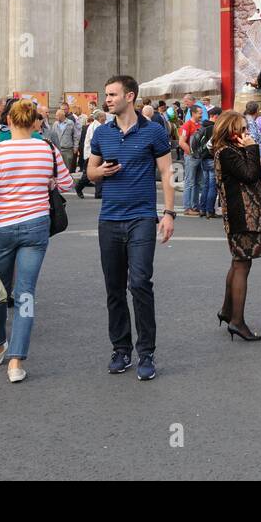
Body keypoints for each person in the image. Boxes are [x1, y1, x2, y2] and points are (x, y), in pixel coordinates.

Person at [0, 99, 73, 383]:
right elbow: (67, 184)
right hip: (36, 225)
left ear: (9, 122)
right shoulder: (48, 149)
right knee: (25, 293)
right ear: (35, 122)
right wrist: (47, 182)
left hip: (2, 226)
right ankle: (16, 361)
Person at [87, 75, 174, 381]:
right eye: (106, 94)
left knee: (139, 283)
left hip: (141, 218)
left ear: (130, 96)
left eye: (112, 94)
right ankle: (121, 349)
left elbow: (166, 173)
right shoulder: (102, 132)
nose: (107, 99)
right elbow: (90, 172)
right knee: (113, 288)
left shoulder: (153, 132)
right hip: (109, 219)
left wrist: (169, 213)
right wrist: (102, 171)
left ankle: (146, 352)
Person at [212, 110, 261, 342]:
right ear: (230, 130)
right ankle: (237, 321)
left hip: (242, 214)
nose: (246, 133)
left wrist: (249, 150)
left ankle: (227, 311)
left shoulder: (228, 150)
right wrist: (252, 148)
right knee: (242, 265)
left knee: (238, 263)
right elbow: (251, 174)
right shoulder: (227, 152)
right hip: (243, 215)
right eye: (242, 129)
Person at [179, 104, 203, 215]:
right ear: (193, 113)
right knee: (189, 182)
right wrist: (191, 153)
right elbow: (181, 142)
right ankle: (187, 207)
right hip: (191, 157)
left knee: (197, 183)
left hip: (198, 157)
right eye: (199, 113)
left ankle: (194, 206)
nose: (201, 115)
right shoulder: (187, 125)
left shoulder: (200, 125)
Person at [48, 107, 77, 179]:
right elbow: (52, 136)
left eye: (57, 115)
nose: (55, 117)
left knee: (67, 168)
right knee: (58, 168)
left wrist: (76, 146)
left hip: (67, 149)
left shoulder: (70, 123)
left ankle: (68, 181)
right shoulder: (55, 124)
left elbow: (75, 135)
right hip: (57, 149)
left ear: (62, 115)